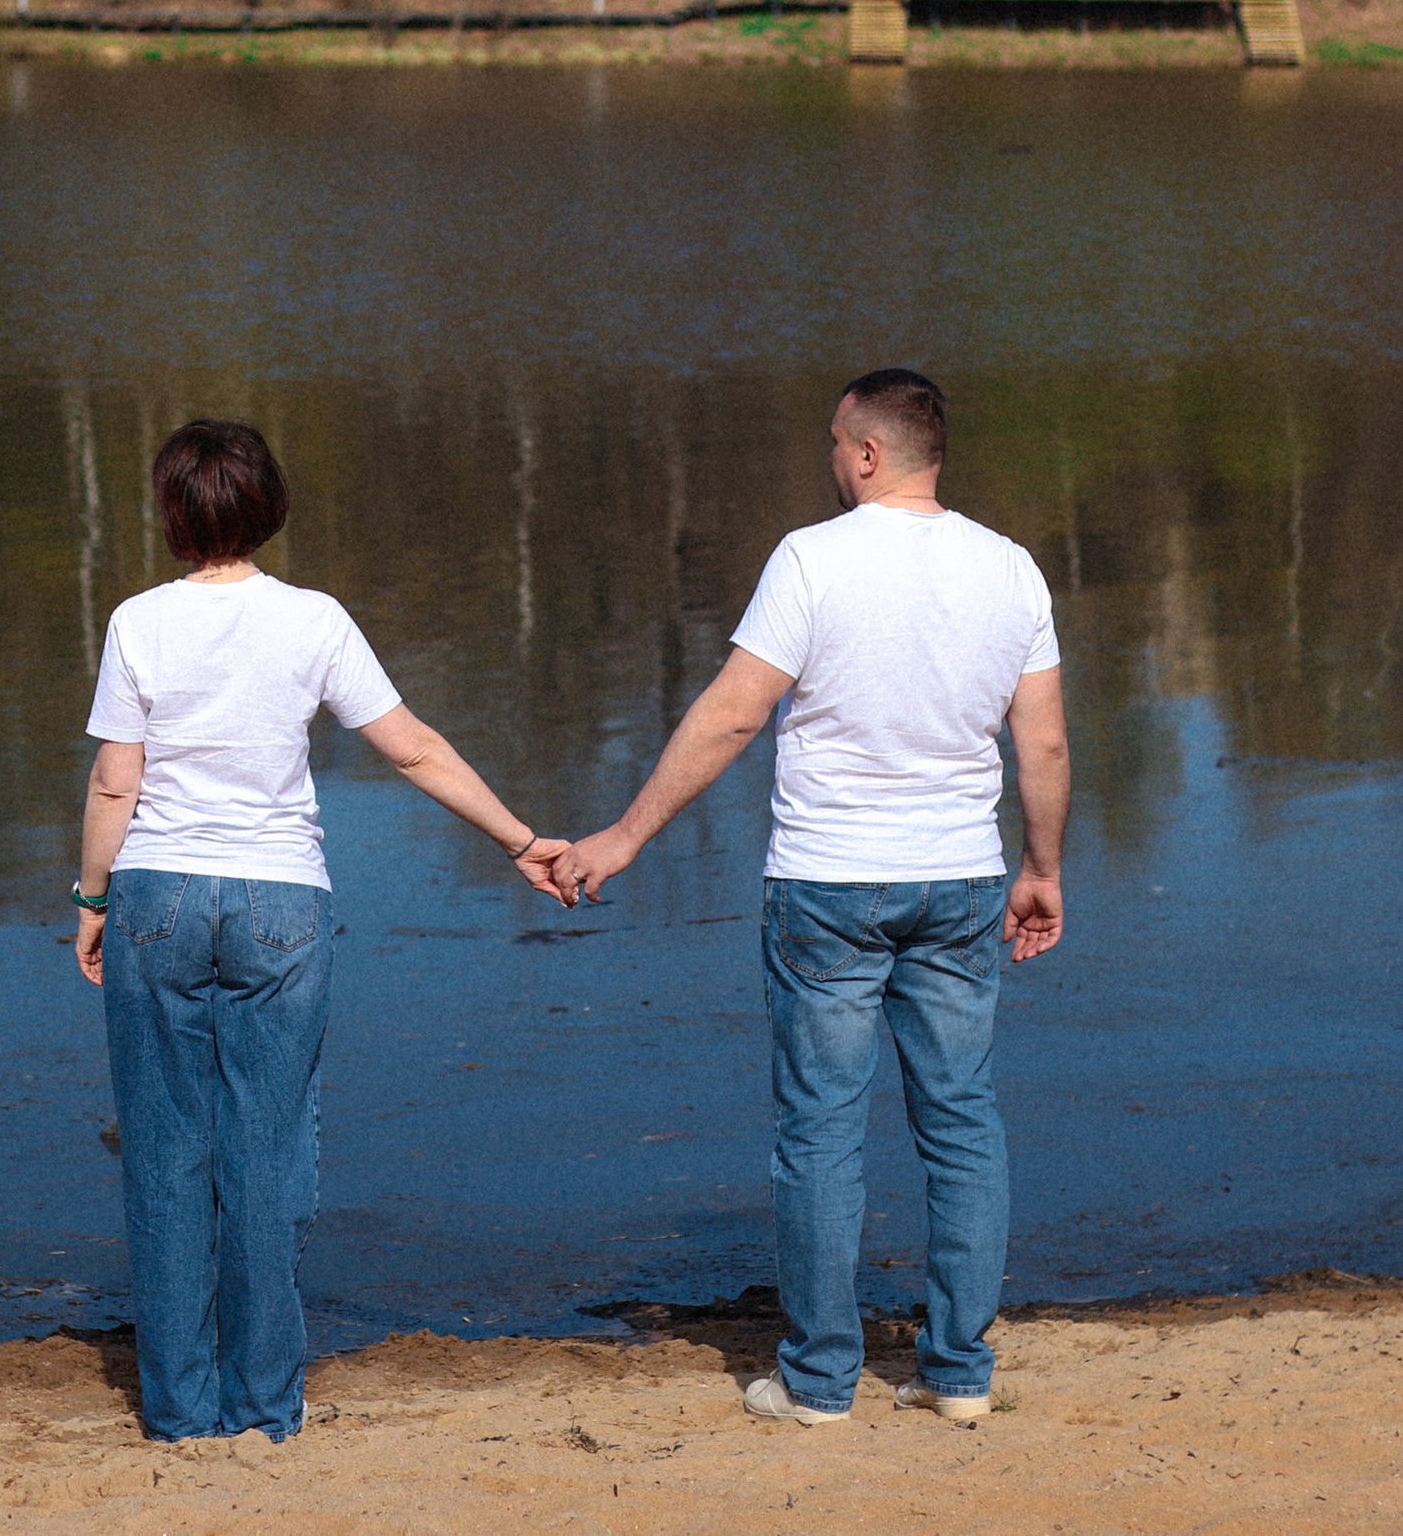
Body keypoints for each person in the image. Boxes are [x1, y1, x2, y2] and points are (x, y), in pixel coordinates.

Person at [558, 369, 1070, 1427]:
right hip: (961, 878)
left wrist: (626, 834)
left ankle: (821, 1380)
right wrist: (1042, 868)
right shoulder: (1011, 568)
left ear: (870, 454)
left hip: (829, 883)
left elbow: (733, 714)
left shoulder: (811, 557)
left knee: (822, 1131)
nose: (830, 459)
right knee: (962, 1120)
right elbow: (1047, 744)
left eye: (837, 443)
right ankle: (959, 1375)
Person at [75, 418, 571, 1443]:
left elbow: (116, 780)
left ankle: (179, 1411)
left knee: (165, 1150)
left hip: (156, 898)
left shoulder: (137, 621)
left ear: (172, 514)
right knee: (267, 1149)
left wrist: (91, 900)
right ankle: (264, 1407)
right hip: (281, 904)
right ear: (270, 507)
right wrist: (518, 839)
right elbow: (413, 749)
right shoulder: (314, 620)